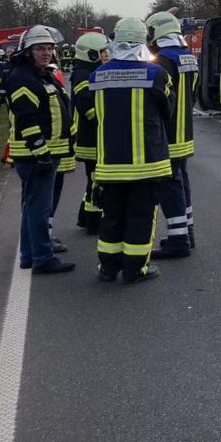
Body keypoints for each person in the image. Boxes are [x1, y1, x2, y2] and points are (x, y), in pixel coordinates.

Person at [88, 17, 171, 284]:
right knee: (141, 216)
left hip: (110, 161)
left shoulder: (97, 75)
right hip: (147, 163)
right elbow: (167, 111)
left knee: (111, 215)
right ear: (145, 42)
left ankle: (108, 268)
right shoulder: (157, 74)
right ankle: (136, 269)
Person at [5, 25, 75, 274]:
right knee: (38, 209)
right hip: (37, 155)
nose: (46, 53)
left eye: (49, 48)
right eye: (39, 49)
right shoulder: (23, 78)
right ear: (27, 52)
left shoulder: (40, 74)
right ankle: (43, 259)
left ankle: (28, 256)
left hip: (45, 152)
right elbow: (26, 119)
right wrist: (40, 150)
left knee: (30, 206)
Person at [147, 11, 199, 259]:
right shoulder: (188, 57)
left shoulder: (161, 61)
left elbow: (157, 98)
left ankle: (178, 240)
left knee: (169, 186)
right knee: (181, 181)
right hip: (184, 133)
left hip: (166, 133)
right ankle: (187, 233)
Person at [70, 31, 110, 234]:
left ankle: (85, 218)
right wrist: (109, 121)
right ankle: (93, 222)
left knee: (93, 181)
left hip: (91, 139)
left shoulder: (85, 72)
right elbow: (87, 105)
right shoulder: (83, 75)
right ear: (91, 54)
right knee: (96, 182)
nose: (106, 56)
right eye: (103, 53)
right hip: (90, 140)